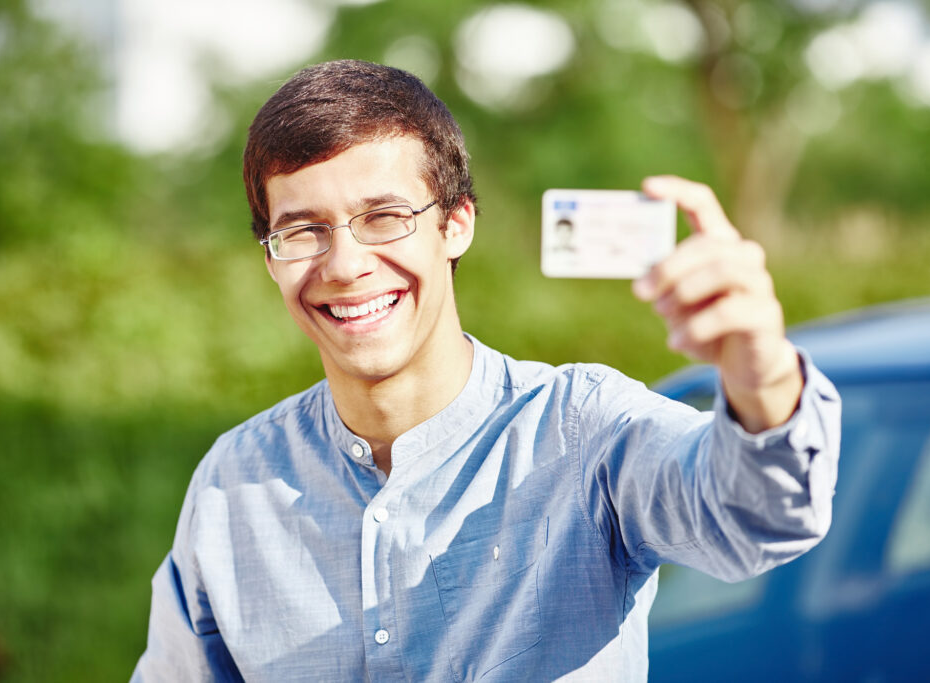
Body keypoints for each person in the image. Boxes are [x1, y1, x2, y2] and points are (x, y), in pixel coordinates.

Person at [132, 60, 840, 682]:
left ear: (456, 224)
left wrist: (762, 379)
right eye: (303, 230)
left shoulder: (586, 429)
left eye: (384, 216)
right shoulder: (232, 484)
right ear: (269, 256)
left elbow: (759, 516)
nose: (344, 266)